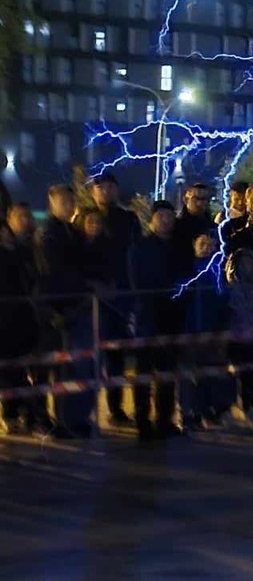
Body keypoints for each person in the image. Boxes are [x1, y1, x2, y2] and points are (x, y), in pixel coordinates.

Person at [128, 201, 189, 440]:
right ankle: (142, 420)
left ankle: (164, 419)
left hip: (172, 315)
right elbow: (136, 279)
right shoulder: (140, 247)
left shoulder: (179, 247)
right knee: (144, 370)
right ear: (151, 219)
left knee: (167, 371)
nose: (165, 220)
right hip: (148, 314)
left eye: (169, 216)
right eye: (161, 216)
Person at [38, 185, 94, 437]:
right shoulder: (48, 234)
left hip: (75, 304)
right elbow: (52, 273)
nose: (69, 206)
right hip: (61, 308)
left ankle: (76, 418)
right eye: (64, 202)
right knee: (66, 369)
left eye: (71, 202)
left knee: (79, 366)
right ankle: (65, 421)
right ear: (52, 203)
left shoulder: (71, 232)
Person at [89, 172, 140, 426]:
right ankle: (87, 411)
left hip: (122, 295)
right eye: (100, 187)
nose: (105, 191)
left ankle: (116, 407)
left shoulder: (128, 219)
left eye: (109, 186)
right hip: (94, 296)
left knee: (117, 356)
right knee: (92, 357)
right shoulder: (86, 218)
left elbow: (136, 254)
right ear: (93, 191)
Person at [0, 203, 44, 435]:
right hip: (7, 319)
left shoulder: (28, 248)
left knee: (27, 368)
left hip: (25, 317)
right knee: (10, 370)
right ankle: (14, 413)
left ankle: (30, 414)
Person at [181, 229, 231, 429]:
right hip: (193, 328)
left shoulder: (218, 269)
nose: (207, 248)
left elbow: (223, 298)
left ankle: (210, 410)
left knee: (212, 373)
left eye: (210, 244)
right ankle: (193, 411)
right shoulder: (189, 269)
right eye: (203, 244)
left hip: (212, 328)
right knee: (194, 375)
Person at [226, 248, 253, 426]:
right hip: (239, 339)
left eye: (250, 264)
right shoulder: (232, 289)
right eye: (243, 264)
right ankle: (246, 408)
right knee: (243, 377)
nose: (247, 267)